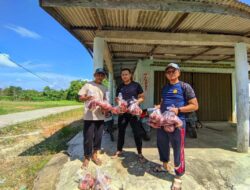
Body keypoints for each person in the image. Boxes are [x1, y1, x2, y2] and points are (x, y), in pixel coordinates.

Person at [154, 63, 198, 190]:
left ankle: (178, 176)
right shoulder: (165, 87)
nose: (170, 73)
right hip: (163, 121)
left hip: (178, 123)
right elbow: (163, 102)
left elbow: (195, 105)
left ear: (179, 72)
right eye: (168, 72)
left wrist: (178, 110)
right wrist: (158, 107)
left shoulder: (185, 86)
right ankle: (164, 165)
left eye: (173, 71)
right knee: (162, 144)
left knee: (178, 148)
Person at [112, 68, 146, 162]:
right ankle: (119, 150)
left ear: (130, 75)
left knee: (137, 133)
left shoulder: (136, 85)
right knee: (121, 132)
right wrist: (119, 103)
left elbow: (142, 97)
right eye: (123, 75)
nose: (124, 76)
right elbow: (117, 98)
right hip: (123, 113)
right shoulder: (120, 86)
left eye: (126, 74)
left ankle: (139, 153)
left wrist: (136, 103)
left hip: (133, 113)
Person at [78, 68, 107, 168]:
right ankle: (86, 157)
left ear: (104, 77)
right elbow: (80, 98)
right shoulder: (88, 85)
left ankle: (94, 155)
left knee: (98, 138)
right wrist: (87, 98)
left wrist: (105, 108)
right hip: (89, 116)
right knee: (88, 138)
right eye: (98, 74)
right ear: (94, 75)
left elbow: (105, 101)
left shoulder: (104, 88)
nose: (100, 76)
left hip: (100, 116)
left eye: (102, 75)